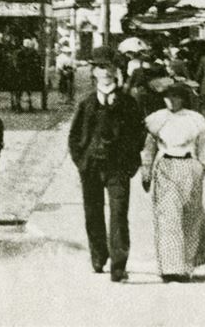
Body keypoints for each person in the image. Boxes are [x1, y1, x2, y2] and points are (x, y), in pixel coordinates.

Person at [68, 47, 145, 283]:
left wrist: (130, 163)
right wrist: (82, 162)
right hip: (91, 167)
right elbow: (74, 138)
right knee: (93, 213)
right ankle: (99, 257)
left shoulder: (128, 103)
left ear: (116, 70)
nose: (105, 72)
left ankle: (119, 267)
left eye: (109, 67)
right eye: (100, 67)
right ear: (93, 72)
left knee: (119, 215)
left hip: (117, 168)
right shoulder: (87, 103)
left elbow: (138, 134)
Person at [141, 80, 205, 283]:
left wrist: (203, 166)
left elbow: (203, 146)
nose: (171, 101)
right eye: (167, 97)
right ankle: (169, 267)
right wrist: (146, 172)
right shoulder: (157, 120)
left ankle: (186, 267)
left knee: (190, 216)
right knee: (168, 217)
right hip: (166, 167)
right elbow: (149, 149)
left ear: (183, 98)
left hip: (189, 167)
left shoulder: (195, 119)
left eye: (175, 96)